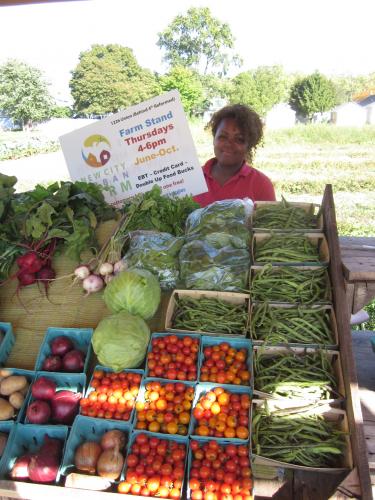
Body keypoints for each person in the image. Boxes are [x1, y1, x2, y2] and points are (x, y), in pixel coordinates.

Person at [193, 104, 276, 207]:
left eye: (239, 139)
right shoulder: (192, 179)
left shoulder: (261, 185)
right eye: (223, 137)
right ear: (214, 139)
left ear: (249, 146)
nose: (229, 144)